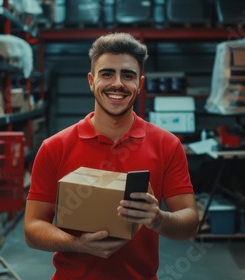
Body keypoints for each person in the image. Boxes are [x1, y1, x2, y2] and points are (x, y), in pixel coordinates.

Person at [24, 32, 199, 280]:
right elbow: (32, 229)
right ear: (91, 80)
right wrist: (77, 244)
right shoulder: (55, 147)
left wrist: (159, 219)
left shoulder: (167, 145)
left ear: (140, 84)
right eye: (107, 74)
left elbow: (189, 222)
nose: (117, 83)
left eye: (127, 75)